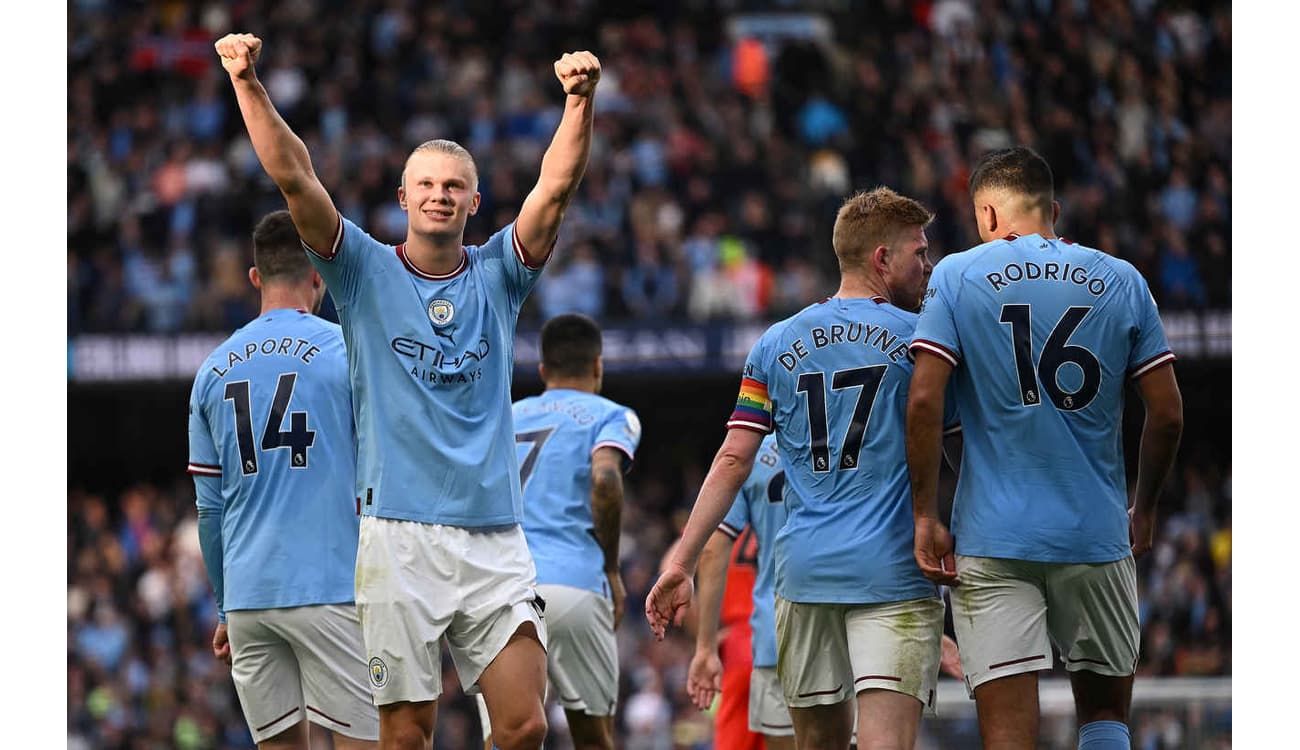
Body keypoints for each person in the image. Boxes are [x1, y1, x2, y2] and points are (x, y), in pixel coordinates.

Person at [215, 32, 603, 750]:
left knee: (523, 725)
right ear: (402, 198)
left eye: (453, 186)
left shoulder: (499, 275)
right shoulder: (360, 272)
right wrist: (247, 83)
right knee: (404, 734)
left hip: (494, 534)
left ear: (474, 202)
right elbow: (296, 178)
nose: (439, 194)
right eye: (425, 184)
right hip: (398, 538)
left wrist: (578, 102)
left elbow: (555, 189)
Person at [648, 187, 960, 750]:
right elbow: (960, 447)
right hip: (893, 572)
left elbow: (733, 457)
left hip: (805, 576)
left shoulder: (775, 342)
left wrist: (681, 561)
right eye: (919, 251)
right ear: (882, 259)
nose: (929, 266)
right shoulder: (923, 340)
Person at [906, 145, 1184, 750]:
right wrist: (1147, 506)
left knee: (1010, 739)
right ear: (1052, 210)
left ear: (986, 215)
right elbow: (1165, 414)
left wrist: (926, 514)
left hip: (993, 539)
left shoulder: (956, 274)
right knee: (1106, 721)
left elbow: (926, 403)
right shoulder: (1121, 278)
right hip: (1095, 533)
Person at [187, 210, 378, 750]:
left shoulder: (212, 370)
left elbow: (209, 511)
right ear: (319, 274)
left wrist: (225, 607)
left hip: (248, 598)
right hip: (330, 586)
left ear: (255, 278)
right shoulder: (346, 351)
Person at [505, 313, 642, 750]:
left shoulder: (505, 416)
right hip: (575, 586)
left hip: (504, 590)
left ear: (543, 371)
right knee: (594, 738)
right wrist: (612, 569)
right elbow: (604, 480)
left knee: (506, 737)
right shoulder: (612, 415)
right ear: (598, 365)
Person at [687, 434, 795, 749]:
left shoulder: (746, 466)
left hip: (755, 637)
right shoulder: (847, 441)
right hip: (844, 620)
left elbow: (691, 558)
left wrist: (704, 642)